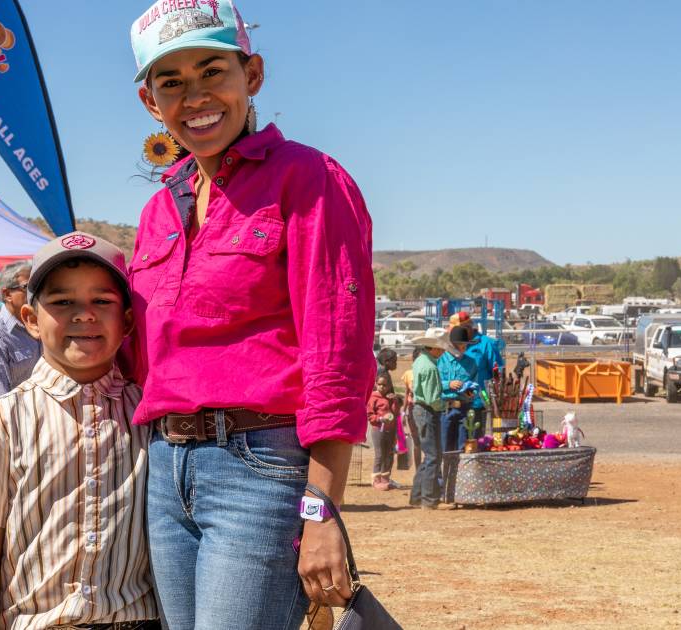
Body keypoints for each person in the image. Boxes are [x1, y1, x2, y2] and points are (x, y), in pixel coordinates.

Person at [127, 1, 376, 625]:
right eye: (172, 82)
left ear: (253, 75)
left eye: (213, 72)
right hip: (164, 472)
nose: (196, 96)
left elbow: (336, 353)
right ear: (151, 103)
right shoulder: (159, 213)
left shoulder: (308, 179)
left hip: (260, 470)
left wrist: (322, 510)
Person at [0, 233, 159, 630]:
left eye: (102, 301)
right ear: (31, 319)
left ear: (128, 320)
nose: (84, 315)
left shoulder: (150, 414)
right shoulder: (0, 421)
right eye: (62, 302)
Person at [0, 260, 42, 406]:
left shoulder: (42, 325)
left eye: (36, 287)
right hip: (16, 424)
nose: (34, 293)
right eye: (27, 287)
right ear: (7, 294)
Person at [451, 311, 503, 438]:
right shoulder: (451, 343)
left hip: (476, 405)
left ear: (469, 327)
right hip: (453, 403)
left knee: (473, 443)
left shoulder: (486, 344)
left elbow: (498, 373)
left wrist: (497, 400)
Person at [409, 335, 446, 509]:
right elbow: (433, 399)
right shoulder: (430, 366)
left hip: (420, 409)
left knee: (429, 455)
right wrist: (448, 403)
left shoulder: (420, 361)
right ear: (434, 348)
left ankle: (417, 496)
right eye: (441, 348)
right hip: (427, 410)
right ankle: (429, 499)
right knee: (433, 456)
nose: (443, 351)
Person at [438, 326, 478, 453]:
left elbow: (475, 385)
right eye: (461, 344)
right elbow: (433, 383)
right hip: (445, 409)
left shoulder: (471, 363)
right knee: (444, 446)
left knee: (463, 446)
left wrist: (470, 392)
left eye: (465, 344)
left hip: (464, 408)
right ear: (452, 344)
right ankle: (444, 471)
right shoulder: (439, 361)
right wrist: (448, 384)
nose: (464, 346)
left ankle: (458, 472)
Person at [367, 373, 402, 491]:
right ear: (376, 384)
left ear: (389, 386)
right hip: (378, 430)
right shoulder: (373, 398)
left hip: (390, 430)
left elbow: (395, 413)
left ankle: (385, 478)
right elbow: (370, 415)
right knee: (380, 454)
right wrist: (381, 419)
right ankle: (376, 479)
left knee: (389, 454)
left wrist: (395, 401)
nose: (382, 387)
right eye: (379, 384)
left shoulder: (389, 398)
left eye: (385, 385)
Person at [401, 346, 422, 469]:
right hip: (412, 409)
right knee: (417, 442)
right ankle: (418, 470)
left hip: (426, 409)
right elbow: (406, 393)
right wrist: (403, 412)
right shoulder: (408, 374)